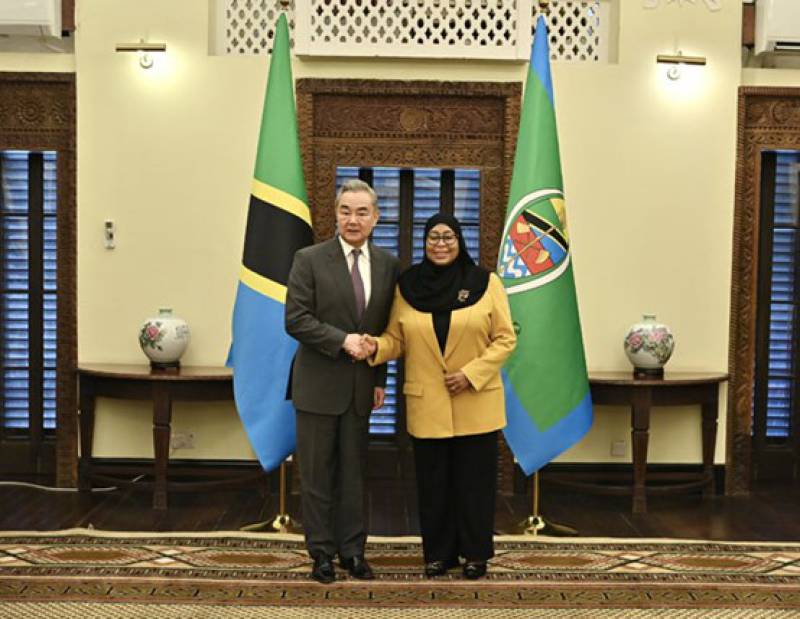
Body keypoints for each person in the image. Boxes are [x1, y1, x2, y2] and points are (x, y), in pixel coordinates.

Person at [363, 213, 516, 580]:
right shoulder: (408, 286)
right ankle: (438, 554)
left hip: (476, 401)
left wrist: (471, 374)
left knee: (474, 483)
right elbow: (397, 339)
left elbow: (505, 338)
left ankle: (475, 554)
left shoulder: (486, 283)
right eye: (434, 237)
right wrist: (374, 347)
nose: (441, 244)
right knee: (434, 485)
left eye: (448, 236)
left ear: (459, 241)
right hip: (427, 403)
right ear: (424, 242)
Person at [285, 179, 399, 584]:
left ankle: (353, 551)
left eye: (362, 212)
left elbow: (385, 327)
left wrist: (380, 376)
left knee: (354, 475)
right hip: (316, 385)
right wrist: (341, 341)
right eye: (346, 211)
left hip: (360, 387)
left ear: (376, 218)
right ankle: (321, 554)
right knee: (317, 476)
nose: (353, 219)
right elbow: (296, 319)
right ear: (335, 215)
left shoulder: (388, 264)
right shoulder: (309, 259)